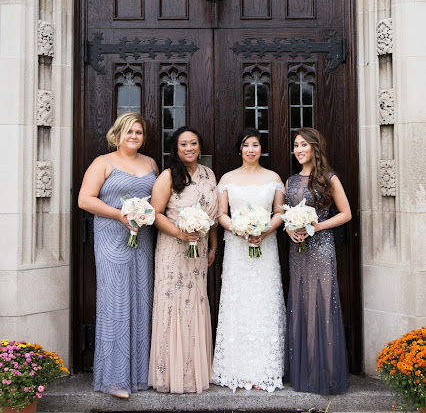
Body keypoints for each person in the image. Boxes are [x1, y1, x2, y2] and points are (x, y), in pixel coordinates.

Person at [78, 112, 158, 399]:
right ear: (117, 134)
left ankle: (137, 375)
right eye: (129, 132)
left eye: (138, 132)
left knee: (140, 299)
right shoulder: (103, 162)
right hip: (112, 239)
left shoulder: (150, 163)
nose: (134, 136)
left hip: (143, 239)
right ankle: (113, 379)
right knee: (115, 303)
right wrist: (120, 214)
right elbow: (85, 199)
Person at [211, 127, 285, 392]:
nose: (251, 149)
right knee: (238, 302)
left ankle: (264, 370)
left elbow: (279, 211)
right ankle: (235, 370)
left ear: (260, 149)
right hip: (237, 248)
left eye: (255, 145)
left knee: (264, 302)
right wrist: (240, 230)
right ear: (239, 150)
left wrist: (264, 231)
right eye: (246, 145)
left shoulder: (274, 178)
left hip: (266, 247)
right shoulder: (228, 178)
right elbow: (221, 214)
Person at [148, 126, 218, 394]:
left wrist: (212, 248)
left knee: (195, 306)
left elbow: (212, 219)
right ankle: (171, 375)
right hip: (172, 250)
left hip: (199, 253)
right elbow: (156, 214)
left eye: (194, 144)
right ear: (176, 149)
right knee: (173, 306)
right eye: (184, 144)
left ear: (199, 146)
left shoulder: (209, 174)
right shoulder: (168, 176)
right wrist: (180, 232)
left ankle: (194, 372)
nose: (189, 148)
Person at [284, 127, 352, 395]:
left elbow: (345, 214)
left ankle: (324, 374)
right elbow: (286, 215)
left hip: (322, 248)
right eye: (296, 145)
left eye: (304, 145)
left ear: (314, 147)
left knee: (322, 304)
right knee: (301, 302)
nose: (299, 150)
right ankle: (306, 371)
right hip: (297, 250)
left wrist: (317, 226)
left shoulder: (329, 178)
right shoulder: (289, 182)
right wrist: (291, 229)